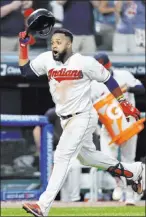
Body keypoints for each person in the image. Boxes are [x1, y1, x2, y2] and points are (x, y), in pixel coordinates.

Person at [18, 26, 143, 216]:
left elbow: (109, 79)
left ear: (69, 43)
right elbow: (26, 72)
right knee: (88, 157)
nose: (54, 46)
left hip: (83, 116)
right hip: (66, 119)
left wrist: (124, 104)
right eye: (52, 42)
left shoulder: (84, 62)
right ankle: (133, 171)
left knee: (61, 156)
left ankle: (43, 205)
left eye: (58, 42)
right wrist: (23, 47)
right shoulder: (46, 59)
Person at [92, 52, 145, 205]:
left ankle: (129, 195)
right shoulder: (93, 84)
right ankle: (119, 184)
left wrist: (128, 88)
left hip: (128, 124)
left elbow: (141, 89)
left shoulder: (124, 75)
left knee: (128, 160)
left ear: (109, 66)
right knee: (106, 160)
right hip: (108, 127)